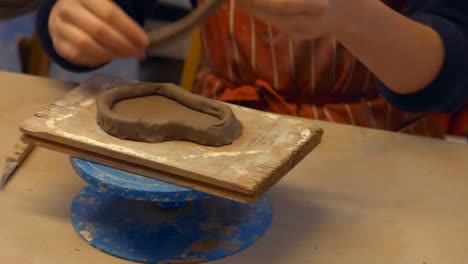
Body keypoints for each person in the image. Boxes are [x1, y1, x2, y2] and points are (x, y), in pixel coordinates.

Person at [36, 0, 468, 138]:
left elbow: (453, 72)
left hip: (383, 149)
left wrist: (351, 14)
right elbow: (83, 14)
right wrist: (68, 21)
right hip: (229, 132)